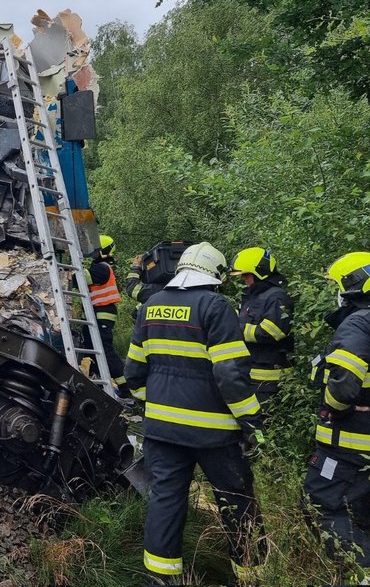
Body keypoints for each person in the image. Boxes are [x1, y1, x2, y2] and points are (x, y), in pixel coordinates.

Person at [125, 242, 266, 583]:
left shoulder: (152, 305)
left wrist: (157, 403)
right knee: (236, 499)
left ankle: (160, 578)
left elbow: (133, 372)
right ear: (215, 275)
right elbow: (230, 374)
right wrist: (251, 422)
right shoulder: (216, 307)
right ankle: (251, 574)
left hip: (161, 431)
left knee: (166, 500)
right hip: (213, 433)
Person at [304, 251, 370, 576]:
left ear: (350, 286)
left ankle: (362, 574)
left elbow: (344, 387)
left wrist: (332, 403)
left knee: (322, 505)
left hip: (349, 446)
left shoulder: (359, 321)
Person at [231, 247, 295, 409]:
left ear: (260, 272)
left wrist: (235, 330)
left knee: (264, 425)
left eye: (246, 275)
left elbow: (272, 332)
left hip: (270, 380)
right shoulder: (251, 296)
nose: (243, 279)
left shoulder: (277, 297)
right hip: (250, 375)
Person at [83, 234, 128, 393]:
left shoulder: (102, 268)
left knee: (104, 349)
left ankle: (126, 386)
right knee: (89, 347)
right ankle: (98, 381)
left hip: (103, 312)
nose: (92, 253)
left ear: (104, 251)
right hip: (97, 313)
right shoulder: (100, 266)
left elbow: (82, 279)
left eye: (95, 251)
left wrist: (68, 271)